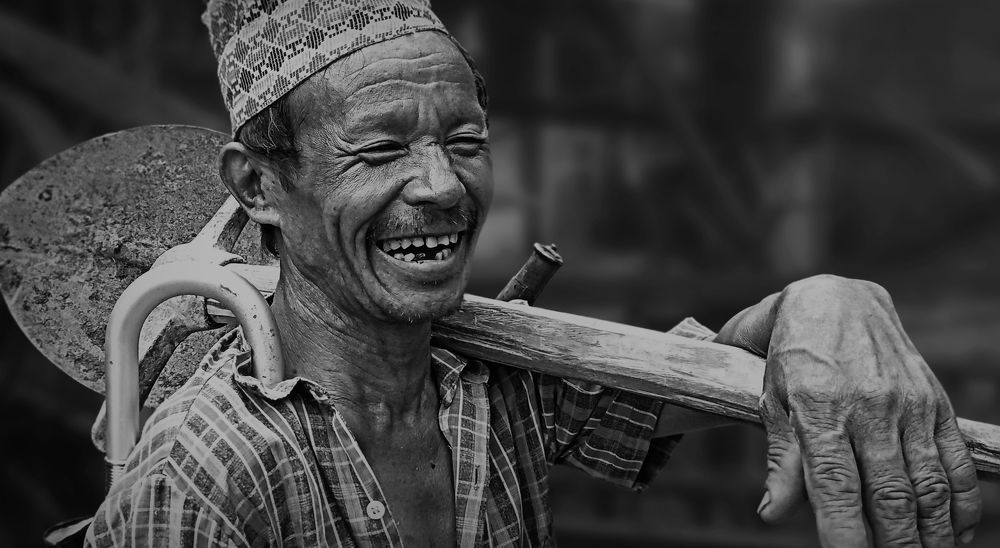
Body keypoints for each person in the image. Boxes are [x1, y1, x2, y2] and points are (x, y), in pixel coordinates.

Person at [84, 1, 980, 546]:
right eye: (380, 150)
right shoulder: (202, 476)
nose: (441, 186)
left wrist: (828, 302)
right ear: (257, 186)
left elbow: (720, 378)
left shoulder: (490, 379)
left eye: (465, 140)